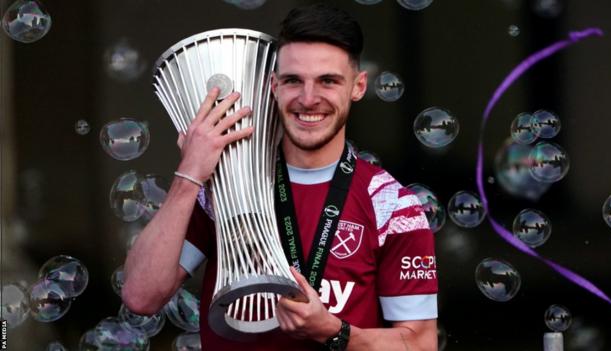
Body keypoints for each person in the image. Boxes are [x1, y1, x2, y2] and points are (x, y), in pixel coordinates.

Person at [122, 4, 438, 350]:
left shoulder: (393, 206)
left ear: (358, 86)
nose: (308, 98)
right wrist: (189, 176)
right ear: (273, 85)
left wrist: (333, 330)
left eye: (328, 81)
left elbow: (419, 344)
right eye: (292, 81)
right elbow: (141, 297)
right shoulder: (226, 184)